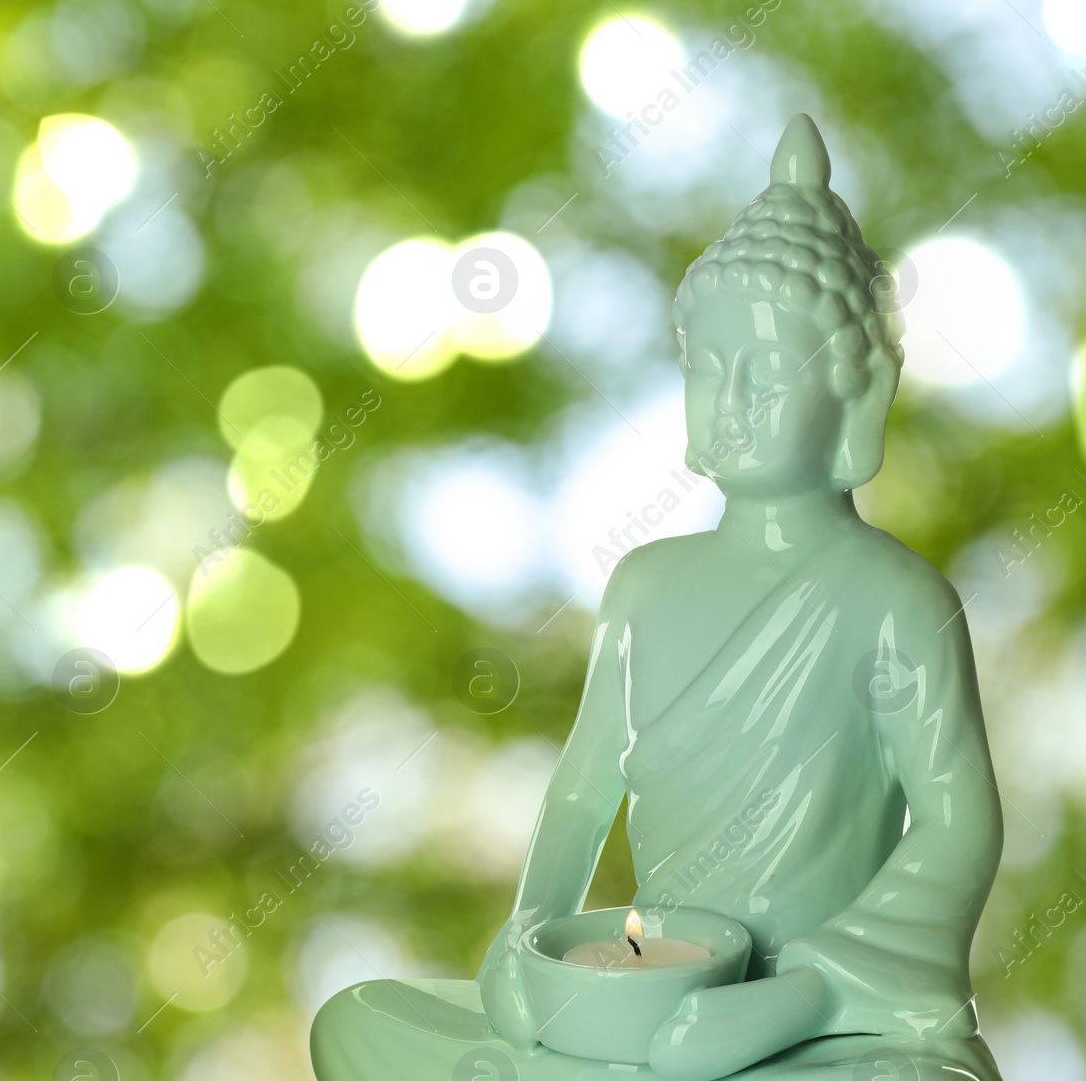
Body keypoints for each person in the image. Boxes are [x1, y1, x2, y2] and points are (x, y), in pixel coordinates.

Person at [310, 116, 1005, 1081]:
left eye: (767, 371)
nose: (732, 397)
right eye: (708, 369)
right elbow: (584, 786)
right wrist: (523, 939)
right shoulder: (645, 583)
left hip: (824, 1027)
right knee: (361, 1021)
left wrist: (806, 990)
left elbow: (958, 824)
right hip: (650, 1010)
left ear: (859, 391)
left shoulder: (892, 597)